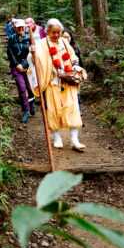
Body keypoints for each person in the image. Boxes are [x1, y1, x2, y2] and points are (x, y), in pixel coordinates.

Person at [29, 18, 86, 150]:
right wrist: (33, 54)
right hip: (52, 82)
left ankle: (74, 140)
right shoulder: (42, 44)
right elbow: (35, 61)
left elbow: (73, 57)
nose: (56, 35)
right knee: (54, 111)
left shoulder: (65, 42)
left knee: (73, 109)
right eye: (53, 32)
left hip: (68, 81)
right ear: (47, 31)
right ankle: (57, 138)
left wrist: (75, 67)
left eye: (58, 32)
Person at [7, 20, 35, 123]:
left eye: (22, 27)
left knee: (30, 86)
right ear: (15, 28)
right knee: (22, 87)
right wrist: (17, 65)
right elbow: (10, 54)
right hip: (16, 66)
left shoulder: (29, 38)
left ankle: (32, 101)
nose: (21, 29)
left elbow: (32, 55)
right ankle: (25, 111)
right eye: (19, 27)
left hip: (28, 66)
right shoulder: (12, 39)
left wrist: (25, 65)